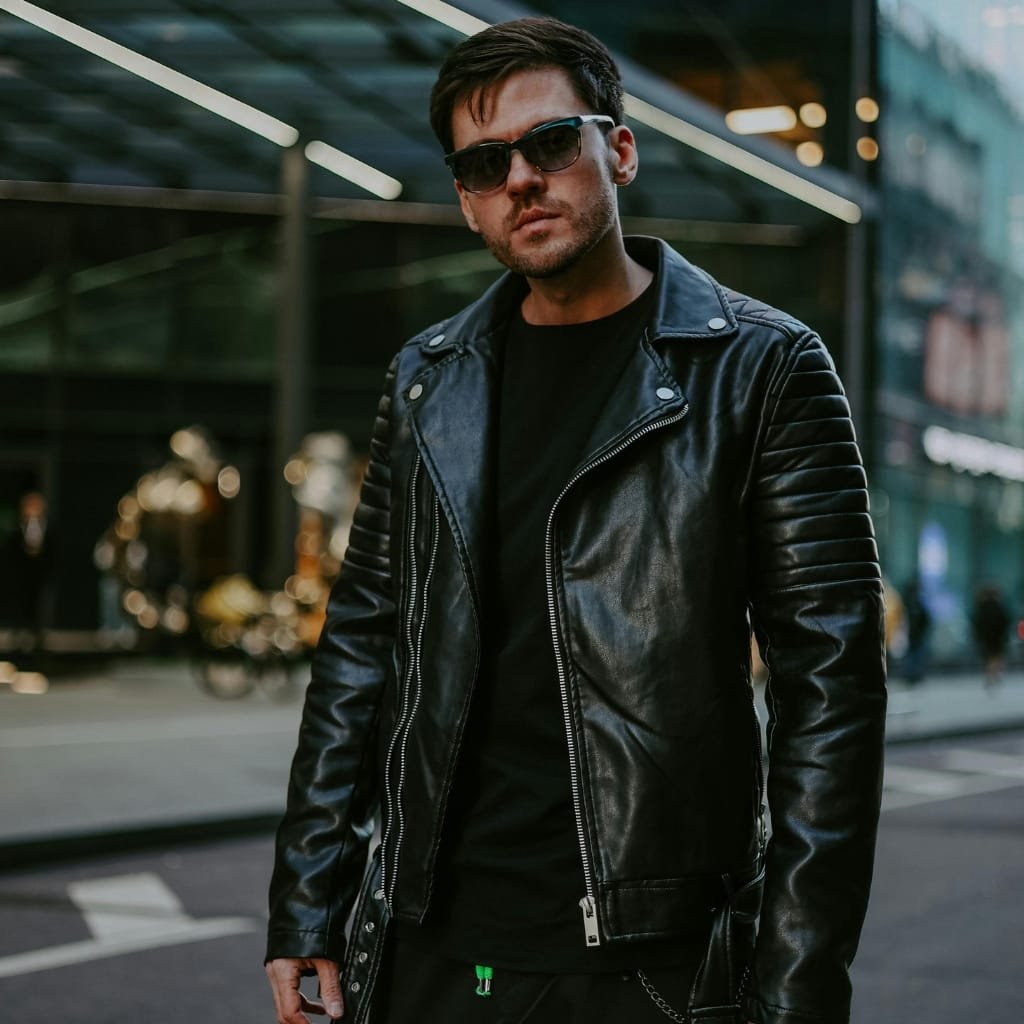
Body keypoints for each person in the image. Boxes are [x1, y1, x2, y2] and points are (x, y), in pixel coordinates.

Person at [265, 17, 886, 1024]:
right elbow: (362, 645)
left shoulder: (761, 368)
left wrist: (798, 984)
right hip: (429, 951)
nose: (520, 177)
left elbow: (833, 690)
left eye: (550, 142)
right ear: (466, 200)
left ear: (619, 150)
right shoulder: (428, 382)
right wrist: (306, 905)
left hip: (648, 965)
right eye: (483, 161)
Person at [970, 584, 1012, 690]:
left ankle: (991, 674)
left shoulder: (980, 608)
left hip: (986, 638)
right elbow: (1006, 621)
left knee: (989, 657)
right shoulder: (999, 607)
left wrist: (978, 636)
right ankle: (994, 674)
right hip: (998, 637)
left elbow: (976, 623)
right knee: (996, 657)